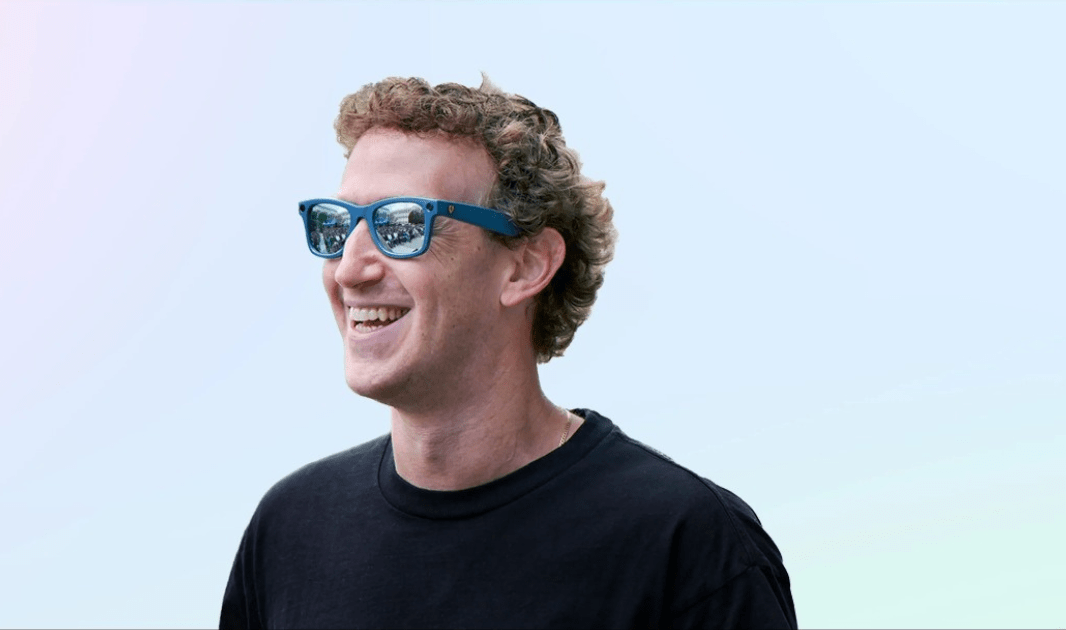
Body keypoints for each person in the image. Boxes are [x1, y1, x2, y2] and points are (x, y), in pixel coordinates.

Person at [220, 76, 797, 629]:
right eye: (338, 225)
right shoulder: (290, 529)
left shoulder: (686, 545)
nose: (349, 268)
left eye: (402, 226)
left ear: (526, 266)